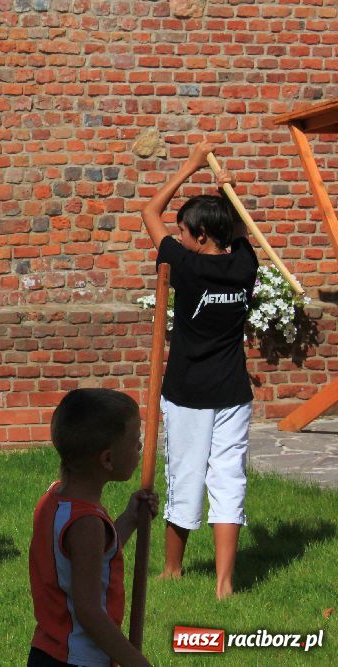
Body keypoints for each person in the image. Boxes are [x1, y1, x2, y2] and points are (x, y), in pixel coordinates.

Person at [142, 140, 257, 600]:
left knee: (186, 474)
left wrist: (189, 168)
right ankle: (224, 583)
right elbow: (242, 228)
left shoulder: (185, 265)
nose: (180, 236)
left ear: (200, 238)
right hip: (234, 390)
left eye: (185, 231)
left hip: (188, 390)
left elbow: (150, 212)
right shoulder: (244, 264)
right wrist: (227, 193)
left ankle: (172, 570)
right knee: (229, 477)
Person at [28, 389, 157, 667]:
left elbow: (92, 559)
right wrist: (136, 662)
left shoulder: (55, 500)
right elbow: (89, 612)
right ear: (107, 459)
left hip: (47, 651)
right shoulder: (86, 522)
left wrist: (128, 519)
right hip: (79, 659)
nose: (140, 449)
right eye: (135, 442)